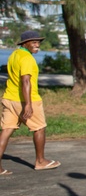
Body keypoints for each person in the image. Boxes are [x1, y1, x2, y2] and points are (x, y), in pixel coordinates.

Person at [0, 30, 61, 175]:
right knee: (39, 128)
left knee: (6, 131)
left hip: (9, 98)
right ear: (24, 43)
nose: (37, 45)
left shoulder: (14, 55)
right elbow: (25, 81)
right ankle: (40, 161)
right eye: (33, 42)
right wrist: (28, 104)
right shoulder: (27, 58)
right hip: (27, 99)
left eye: (39, 42)